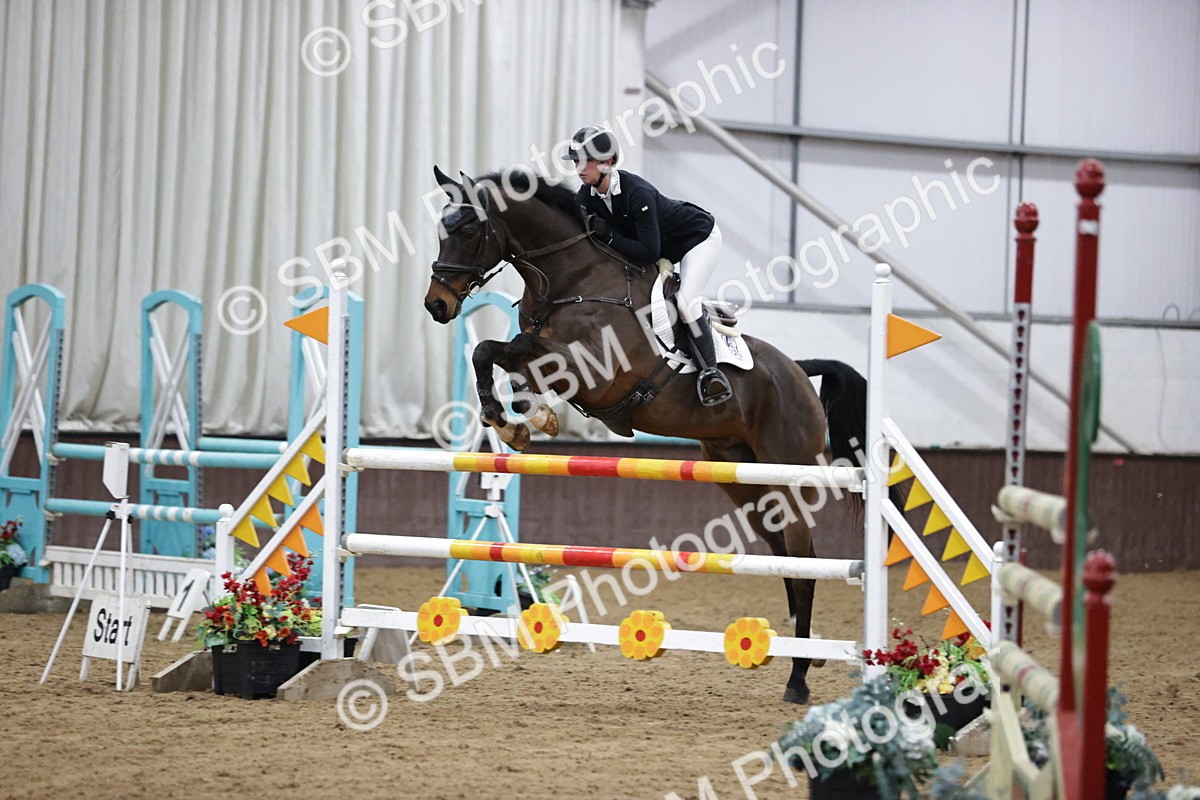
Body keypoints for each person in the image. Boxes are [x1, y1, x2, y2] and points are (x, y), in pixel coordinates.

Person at [563, 125, 732, 407]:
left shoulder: (636, 192)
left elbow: (647, 251)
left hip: (697, 238)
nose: (579, 168)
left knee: (687, 302)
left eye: (586, 161)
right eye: (576, 161)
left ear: (608, 162)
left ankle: (711, 373)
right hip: (663, 248)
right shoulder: (586, 197)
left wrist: (609, 234)